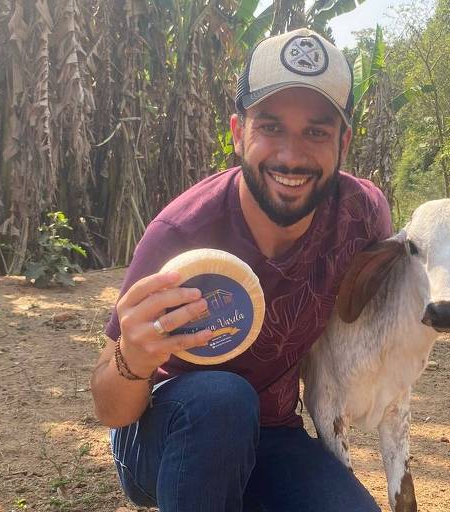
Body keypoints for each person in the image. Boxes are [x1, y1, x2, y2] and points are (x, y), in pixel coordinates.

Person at [91, 28, 393, 512]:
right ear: (237, 133)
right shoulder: (180, 235)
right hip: (165, 435)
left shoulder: (361, 218)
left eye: (316, 131)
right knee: (220, 399)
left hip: (271, 432)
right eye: (270, 127)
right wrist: (134, 357)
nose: (292, 156)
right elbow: (109, 405)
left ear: (344, 143)